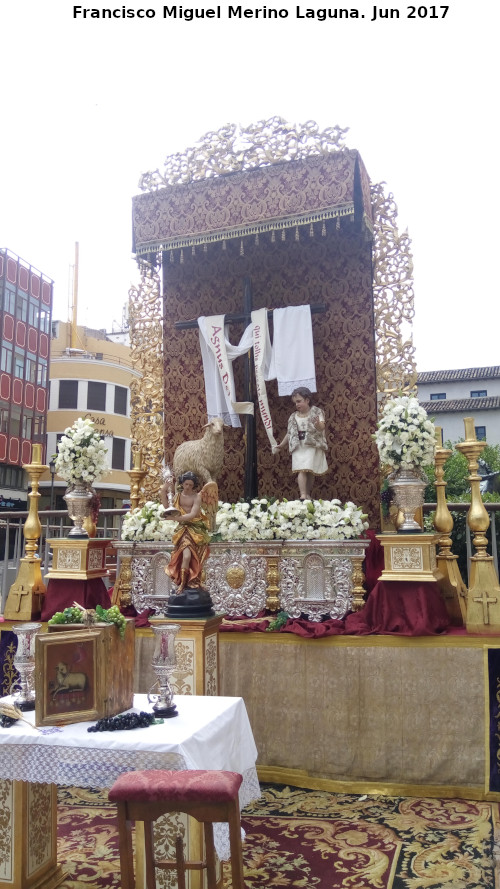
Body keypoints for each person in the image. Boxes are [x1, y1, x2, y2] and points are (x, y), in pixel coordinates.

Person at [273, 387, 328, 500]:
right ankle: (303, 494)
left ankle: (307, 494)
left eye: (299, 401)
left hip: (311, 445)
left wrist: (318, 424)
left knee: (310, 471)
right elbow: (290, 433)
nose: (297, 404)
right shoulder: (293, 416)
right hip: (299, 446)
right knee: (302, 469)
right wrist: (282, 445)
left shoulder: (316, 412)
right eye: (295, 402)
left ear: (307, 400)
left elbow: (322, 426)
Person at [161, 471, 211, 593]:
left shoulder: (196, 497)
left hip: (196, 529)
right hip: (183, 530)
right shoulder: (177, 496)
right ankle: (183, 584)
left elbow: (192, 515)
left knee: (196, 558)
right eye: (186, 484)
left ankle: (194, 581)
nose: (188, 487)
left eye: (190, 484)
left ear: (194, 485)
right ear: (182, 483)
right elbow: (167, 505)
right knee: (187, 556)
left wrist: (174, 518)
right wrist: (165, 487)